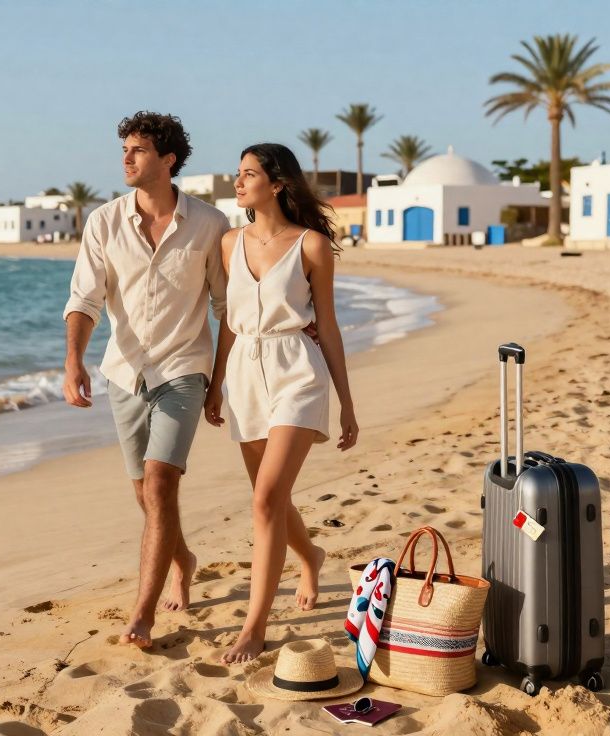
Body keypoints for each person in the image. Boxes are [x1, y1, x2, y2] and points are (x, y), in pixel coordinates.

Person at [62, 111, 230, 649]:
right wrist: (74, 361)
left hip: (184, 369)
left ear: (168, 160)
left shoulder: (209, 223)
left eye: (137, 150)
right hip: (123, 373)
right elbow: (85, 299)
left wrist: (219, 379)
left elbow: (227, 308)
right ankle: (182, 556)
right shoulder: (103, 222)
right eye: (125, 150)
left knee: (160, 483)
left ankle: (142, 613)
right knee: (145, 491)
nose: (126, 159)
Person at [205, 143, 359, 664]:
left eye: (248, 173)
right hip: (246, 373)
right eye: (237, 172)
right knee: (270, 498)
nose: (238, 180)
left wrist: (347, 402)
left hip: (298, 369)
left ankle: (254, 626)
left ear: (276, 184)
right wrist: (215, 381)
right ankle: (310, 555)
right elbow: (228, 321)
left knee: (266, 499)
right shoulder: (229, 243)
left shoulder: (310, 246)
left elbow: (330, 327)